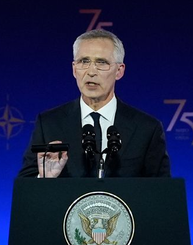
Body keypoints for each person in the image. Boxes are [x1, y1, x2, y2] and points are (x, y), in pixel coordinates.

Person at [18, 29, 171, 178]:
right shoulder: (49, 123)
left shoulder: (147, 129)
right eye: (84, 61)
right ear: (74, 69)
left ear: (119, 71)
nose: (91, 71)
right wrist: (45, 179)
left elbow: (161, 194)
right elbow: (26, 186)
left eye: (101, 63)